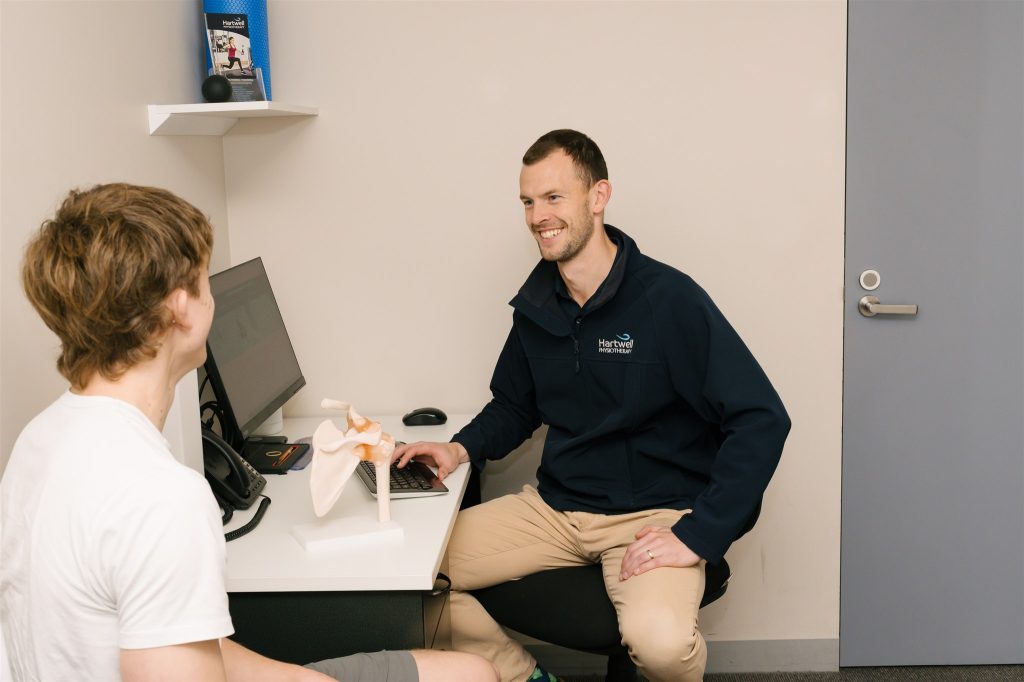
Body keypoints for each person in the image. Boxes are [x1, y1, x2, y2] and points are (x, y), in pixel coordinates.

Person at [0, 183, 497, 682]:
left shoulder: (39, 440)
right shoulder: (162, 497)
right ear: (180, 308)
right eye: (203, 279)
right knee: (473, 675)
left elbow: (189, 642)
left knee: (469, 672)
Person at [394, 130, 791, 682]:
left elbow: (761, 419)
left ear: (598, 197)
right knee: (408, 576)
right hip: (556, 509)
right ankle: (522, 676)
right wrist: (457, 448)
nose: (538, 216)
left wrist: (697, 533)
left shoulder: (668, 301)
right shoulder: (537, 304)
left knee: (661, 646)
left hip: (653, 514)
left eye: (554, 198)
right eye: (528, 202)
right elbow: (513, 406)